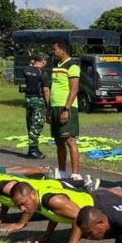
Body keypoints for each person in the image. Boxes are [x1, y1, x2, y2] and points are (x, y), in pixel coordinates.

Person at [45, 39, 81, 180]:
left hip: (66, 107)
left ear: (63, 50)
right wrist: (49, 109)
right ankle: (62, 172)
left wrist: (66, 109)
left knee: (69, 140)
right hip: (55, 107)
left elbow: (74, 89)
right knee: (59, 141)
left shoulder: (72, 66)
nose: (52, 52)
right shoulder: (56, 65)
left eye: (54, 49)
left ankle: (75, 174)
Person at [23, 54, 50, 159]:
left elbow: (28, 68)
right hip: (38, 100)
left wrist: (31, 63)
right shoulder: (42, 72)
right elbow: (46, 90)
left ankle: (33, 148)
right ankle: (33, 150)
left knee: (30, 123)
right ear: (43, 61)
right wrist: (48, 104)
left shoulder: (26, 70)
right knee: (37, 124)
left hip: (28, 99)